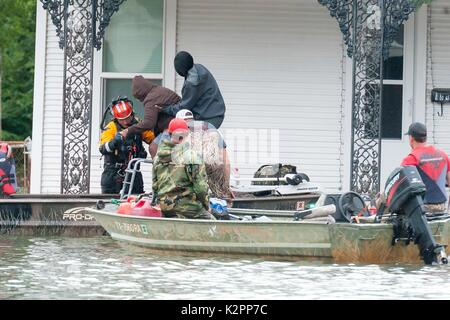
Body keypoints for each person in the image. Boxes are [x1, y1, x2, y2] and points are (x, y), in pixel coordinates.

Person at [152, 118, 215, 220]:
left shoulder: (158, 157)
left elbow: (155, 185)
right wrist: (207, 206)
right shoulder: (192, 156)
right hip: (186, 206)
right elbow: (201, 188)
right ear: (187, 134)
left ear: (170, 133)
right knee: (214, 224)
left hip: (164, 206)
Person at [99, 97, 154, 194]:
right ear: (116, 118)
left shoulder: (138, 124)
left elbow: (152, 138)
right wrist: (114, 142)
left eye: (127, 118)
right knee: (109, 201)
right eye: (121, 120)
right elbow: (103, 148)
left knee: (135, 200)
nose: (125, 122)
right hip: (113, 172)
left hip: (133, 171)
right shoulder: (111, 127)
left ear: (132, 114)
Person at [159, 51, 226, 129]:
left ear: (180, 70)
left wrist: (166, 109)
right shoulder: (199, 67)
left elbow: (184, 107)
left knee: (187, 135)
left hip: (208, 118)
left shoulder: (192, 83)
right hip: (216, 113)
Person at [400, 122, 450, 213]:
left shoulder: (410, 159)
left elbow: (403, 189)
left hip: (421, 209)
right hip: (441, 207)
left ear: (411, 138)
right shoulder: (443, 156)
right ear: (425, 138)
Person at [121, 75, 181, 140]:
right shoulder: (158, 89)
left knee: (153, 148)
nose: (139, 100)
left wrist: (128, 130)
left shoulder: (150, 99)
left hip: (175, 128)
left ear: (140, 94)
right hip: (182, 123)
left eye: (138, 98)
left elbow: (149, 123)